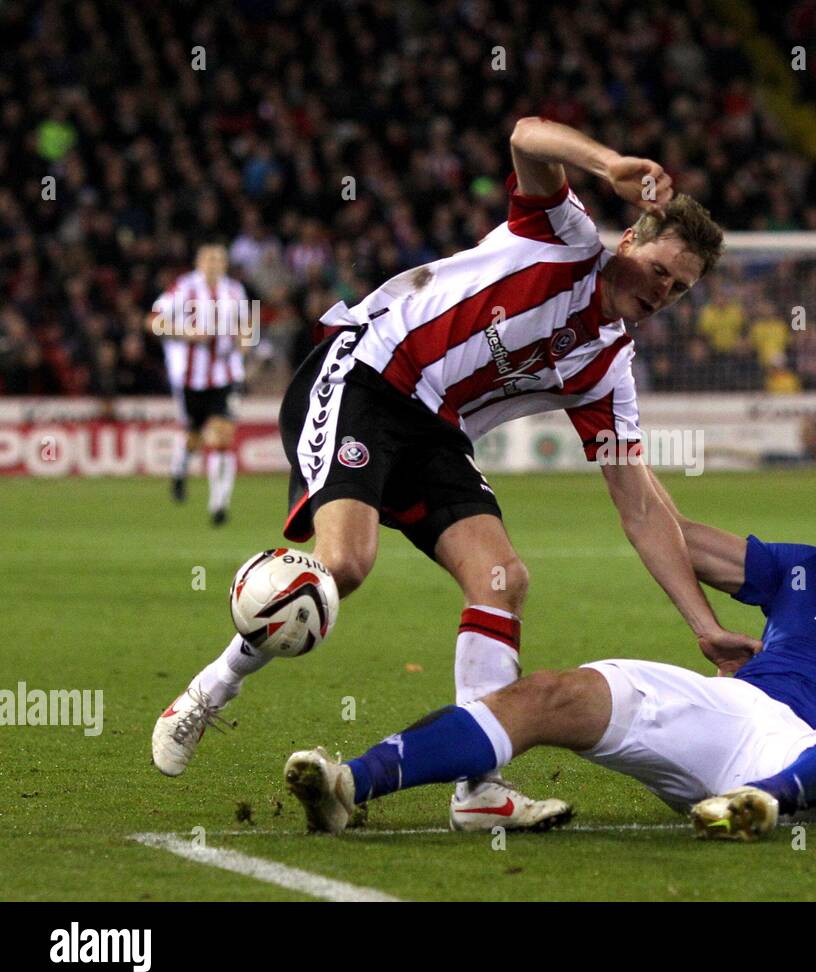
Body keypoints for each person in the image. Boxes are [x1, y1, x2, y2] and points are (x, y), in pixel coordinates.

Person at [151, 117, 762, 833]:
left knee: (504, 577)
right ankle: (207, 693)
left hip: (436, 430)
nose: (664, 293)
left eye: (680, 290)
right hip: (368, 376)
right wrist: (610, 163)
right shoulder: (563, 240)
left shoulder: (608, 370)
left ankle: (479, 788)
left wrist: (703, 626)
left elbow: (640, 508)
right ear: (629, 238)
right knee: (343, 564)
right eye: (660, 271)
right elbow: (526, 135)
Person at [282, 466, 816, 840]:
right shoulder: (807, 574)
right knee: (553, 692)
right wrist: (627, 458)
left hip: (808, 761)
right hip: (728, 712)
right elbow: (681, 538)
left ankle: (756, 806)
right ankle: (354, 784)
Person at [148, 244, 248, 525]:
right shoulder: (182, 289)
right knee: (193, 437)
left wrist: (243, 349)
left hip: (226, 377)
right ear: (198, 262)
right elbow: (153, 322)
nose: (215, 263)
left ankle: (219, 504)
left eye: (219, 258)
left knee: (221, 436)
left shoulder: (235, 291)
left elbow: (246, 327)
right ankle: (179, 471)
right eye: (209, 258)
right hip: (190, 379)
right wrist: (186, 333)